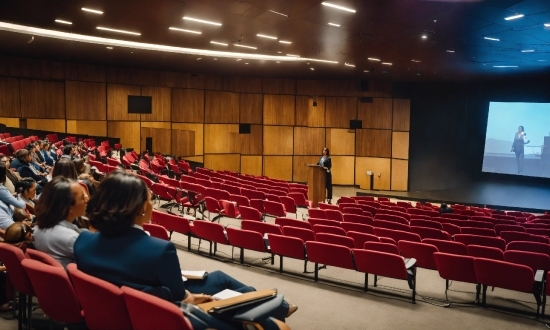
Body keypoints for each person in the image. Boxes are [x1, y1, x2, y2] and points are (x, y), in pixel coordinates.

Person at [74, 171, 296, 329]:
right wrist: (196, 298)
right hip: (169, 319)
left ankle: (271, 306)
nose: (152, 204)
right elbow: (180, 299)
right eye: (150, 199)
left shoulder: (83, 242)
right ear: (141, 207)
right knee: (276, 327)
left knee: (218, 282)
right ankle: (274, 309)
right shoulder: (159, 250)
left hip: (124, 316)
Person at [33, 176, 88, 268]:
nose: (86, 200)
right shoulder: (72, 239)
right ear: (69, 207)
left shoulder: (37, 228)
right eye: (82, 198)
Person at [0, 162, 30, 229]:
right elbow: (21, 205)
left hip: (12, 217)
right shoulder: (1, 189)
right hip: (11, 227)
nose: (7, 163)